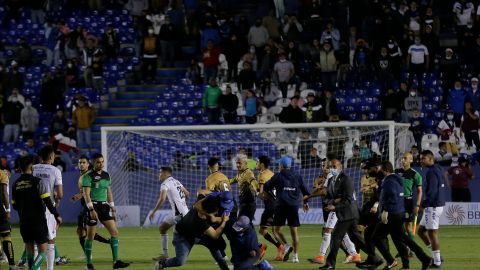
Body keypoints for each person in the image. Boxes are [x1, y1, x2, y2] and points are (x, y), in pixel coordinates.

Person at [319, 159, 381, 270]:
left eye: (334, 166)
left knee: (336, 236)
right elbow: (328, 196)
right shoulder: (331, 180)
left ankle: (330, 264)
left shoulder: (346, 179)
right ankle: (376, 258)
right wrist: (329, 202)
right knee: (356, 239)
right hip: (343, 213)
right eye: (330, 167)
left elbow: (348, 199)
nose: (332, 169)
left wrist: (334, 206)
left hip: (349, 213)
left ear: (341, 167)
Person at [305, 159, 360, 265]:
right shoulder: (338, 177)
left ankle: (321, 256)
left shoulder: (332, 177)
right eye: (328, 167)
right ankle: (355, 255)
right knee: (342, 233)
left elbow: (324, 191)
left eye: (329, 166)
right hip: (343, 207)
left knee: (327, 230)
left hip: (338, 207)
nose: (327, 168)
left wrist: (309, 196)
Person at [12, 156, 62, 270]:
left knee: (30, 251)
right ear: (31, 168)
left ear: (20, 168)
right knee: (42, 252)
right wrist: (56, 215)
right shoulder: (38, 182)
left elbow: (14, 205)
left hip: (24, 222)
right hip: (38, 221)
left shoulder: (15, 184)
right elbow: (48, 201)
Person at [82, 153, 130, 270]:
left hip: (104, 207)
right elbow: (86, 194)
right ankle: (89, 263)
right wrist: (91, 209)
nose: (101, 164)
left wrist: (113, 207)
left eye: (102, 161)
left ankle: (116, 262)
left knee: (114, 233)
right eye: (98, 162)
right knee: (90, 236)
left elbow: (109, 192)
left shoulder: (107, 175)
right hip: (93, 206)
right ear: (93, 163)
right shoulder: (88, 176)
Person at [155, 195, 230, 269]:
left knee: (215, 247)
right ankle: (162, 263)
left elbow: (201, 194)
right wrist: (224, 221)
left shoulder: (199, 206)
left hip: (196, 234)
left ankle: (225, 268)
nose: (217, 212)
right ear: (208, 211)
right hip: (183, 237)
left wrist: (213, 217)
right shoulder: (200, 222)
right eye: (215, 211)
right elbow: (215, 235)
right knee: (180, 261)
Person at [264, 156, 310, 263]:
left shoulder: (278, 176)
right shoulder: (298, 176)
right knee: (294, 232)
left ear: (282, 166)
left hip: (281, 206)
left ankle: (286, 246)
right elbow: (307, 192)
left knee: (276, 230)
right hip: (293, 206)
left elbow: (266, 187)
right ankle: (296, 256)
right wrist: (305, 203)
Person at [69, 156, 110, 256]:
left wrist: (78, 196)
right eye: (80, 162)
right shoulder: (82, 175)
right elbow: (83, 192)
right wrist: (78, 196)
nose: (81, 164)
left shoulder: (89, 175)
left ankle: (89, 253)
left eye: (84, 162)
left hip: (91, 206)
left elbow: (87, 192)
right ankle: (103, 243)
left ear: (88, 164)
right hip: (86, 205)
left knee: (83, 231)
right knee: (84, 231)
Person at [32, 145, 63, 270]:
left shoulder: (33, 168)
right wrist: (56, 199)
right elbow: (60, 193)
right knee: (50, 240)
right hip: (48, 208)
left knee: (35, 242)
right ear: (51, 156)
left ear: (40, 157)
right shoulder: (55, 170)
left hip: (33, 207)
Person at [148, 167, 190, 258]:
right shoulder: (177, 181)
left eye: (160, 173)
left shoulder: (165, 183)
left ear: (165, 173)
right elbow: (187, 193)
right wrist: (182, 204)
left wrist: (153, 212)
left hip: (179, 215)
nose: (159, 175)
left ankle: (178, 259)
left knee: (185, 237)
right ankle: (165, 255)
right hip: (182, 212)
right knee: (162, 228)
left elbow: (162, 198)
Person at [418, 150, 446, 268]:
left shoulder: (431, 172)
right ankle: (437, 256)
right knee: (421, 231)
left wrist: (423, 205)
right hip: (436, 205)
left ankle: (437, 262)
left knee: (432, 233)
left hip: (433, 206)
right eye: (421, 158)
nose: (421, 161)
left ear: (430, 158)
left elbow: (432, 192)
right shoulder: (438, 168)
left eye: (423, 158)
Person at [257, 156, 283, 259]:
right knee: (273, 230)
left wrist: (255, 192)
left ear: (262, 164)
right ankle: (281, 249)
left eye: (258, 163)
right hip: (278, 205)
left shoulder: (262, 176)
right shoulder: (272, 174)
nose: (256, 165)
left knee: (263, 230)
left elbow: (262, 194)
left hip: (270, 206)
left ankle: (281, 248)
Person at [395, 152, 423, 247]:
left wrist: (417, 205)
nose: (403, 160)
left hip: (407, 201)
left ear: (411, 160)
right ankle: (403, 248)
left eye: (405, 158)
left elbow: (420, 191)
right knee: (398, 227)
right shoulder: (396, 172)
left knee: (408, 226)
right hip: (397, 201)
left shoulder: (415, 174)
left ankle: (411, 249)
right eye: (402, 158)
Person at [0, 166, 19, 270]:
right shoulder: (2, 174)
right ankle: (11, 265)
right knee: (6, 235)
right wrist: (7, 209)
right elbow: (4, 193)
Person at [230, 155, 258, 220]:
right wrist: (222, 181)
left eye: (239, 163)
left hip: (248, 204)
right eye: (237, 163)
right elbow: (232, 180)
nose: (237, 165)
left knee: (241, 224)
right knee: (246, 225)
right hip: (243, 203)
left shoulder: (248, 173)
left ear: (245, 163)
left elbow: (254, 183)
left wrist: (258, 190)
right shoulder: (240, 173)